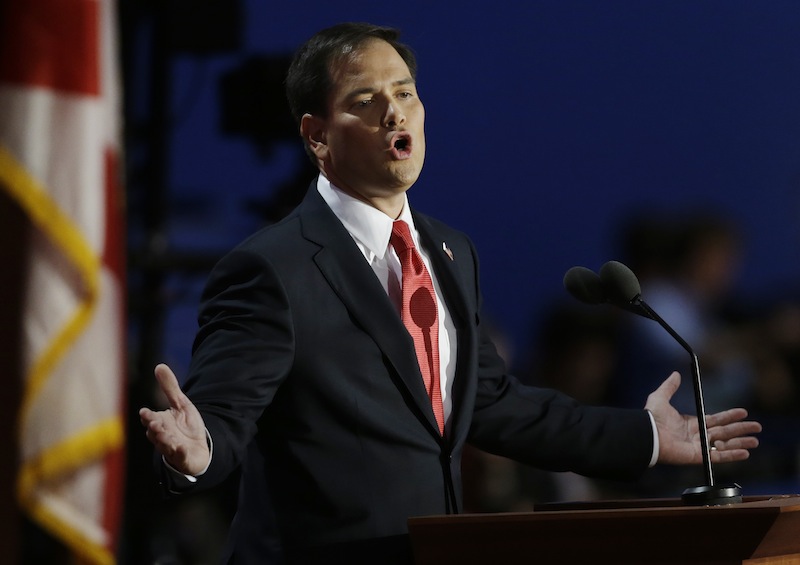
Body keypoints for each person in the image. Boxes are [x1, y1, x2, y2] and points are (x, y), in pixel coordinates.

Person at [139, 22, 762, 564]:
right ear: (317, 136)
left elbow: (492, 405)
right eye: (365, 100)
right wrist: (197, 452)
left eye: (404, 93)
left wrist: (646, 437)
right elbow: (222, 418)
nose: (394, 113)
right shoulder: (270, 268)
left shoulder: (450, 252)